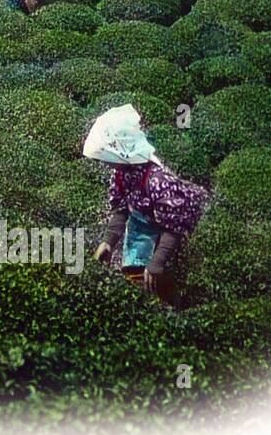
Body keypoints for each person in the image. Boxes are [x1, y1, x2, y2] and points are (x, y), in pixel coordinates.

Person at [84, 104, 209, 306]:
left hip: (176, 227)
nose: (104, 163)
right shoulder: (121, 175)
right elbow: (121, 210)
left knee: (164, 280)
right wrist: (108, 242)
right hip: (145, 225)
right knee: (135, 276)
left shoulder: (157, 180)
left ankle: (177, 305)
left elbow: (174, 228)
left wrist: (157, 262)